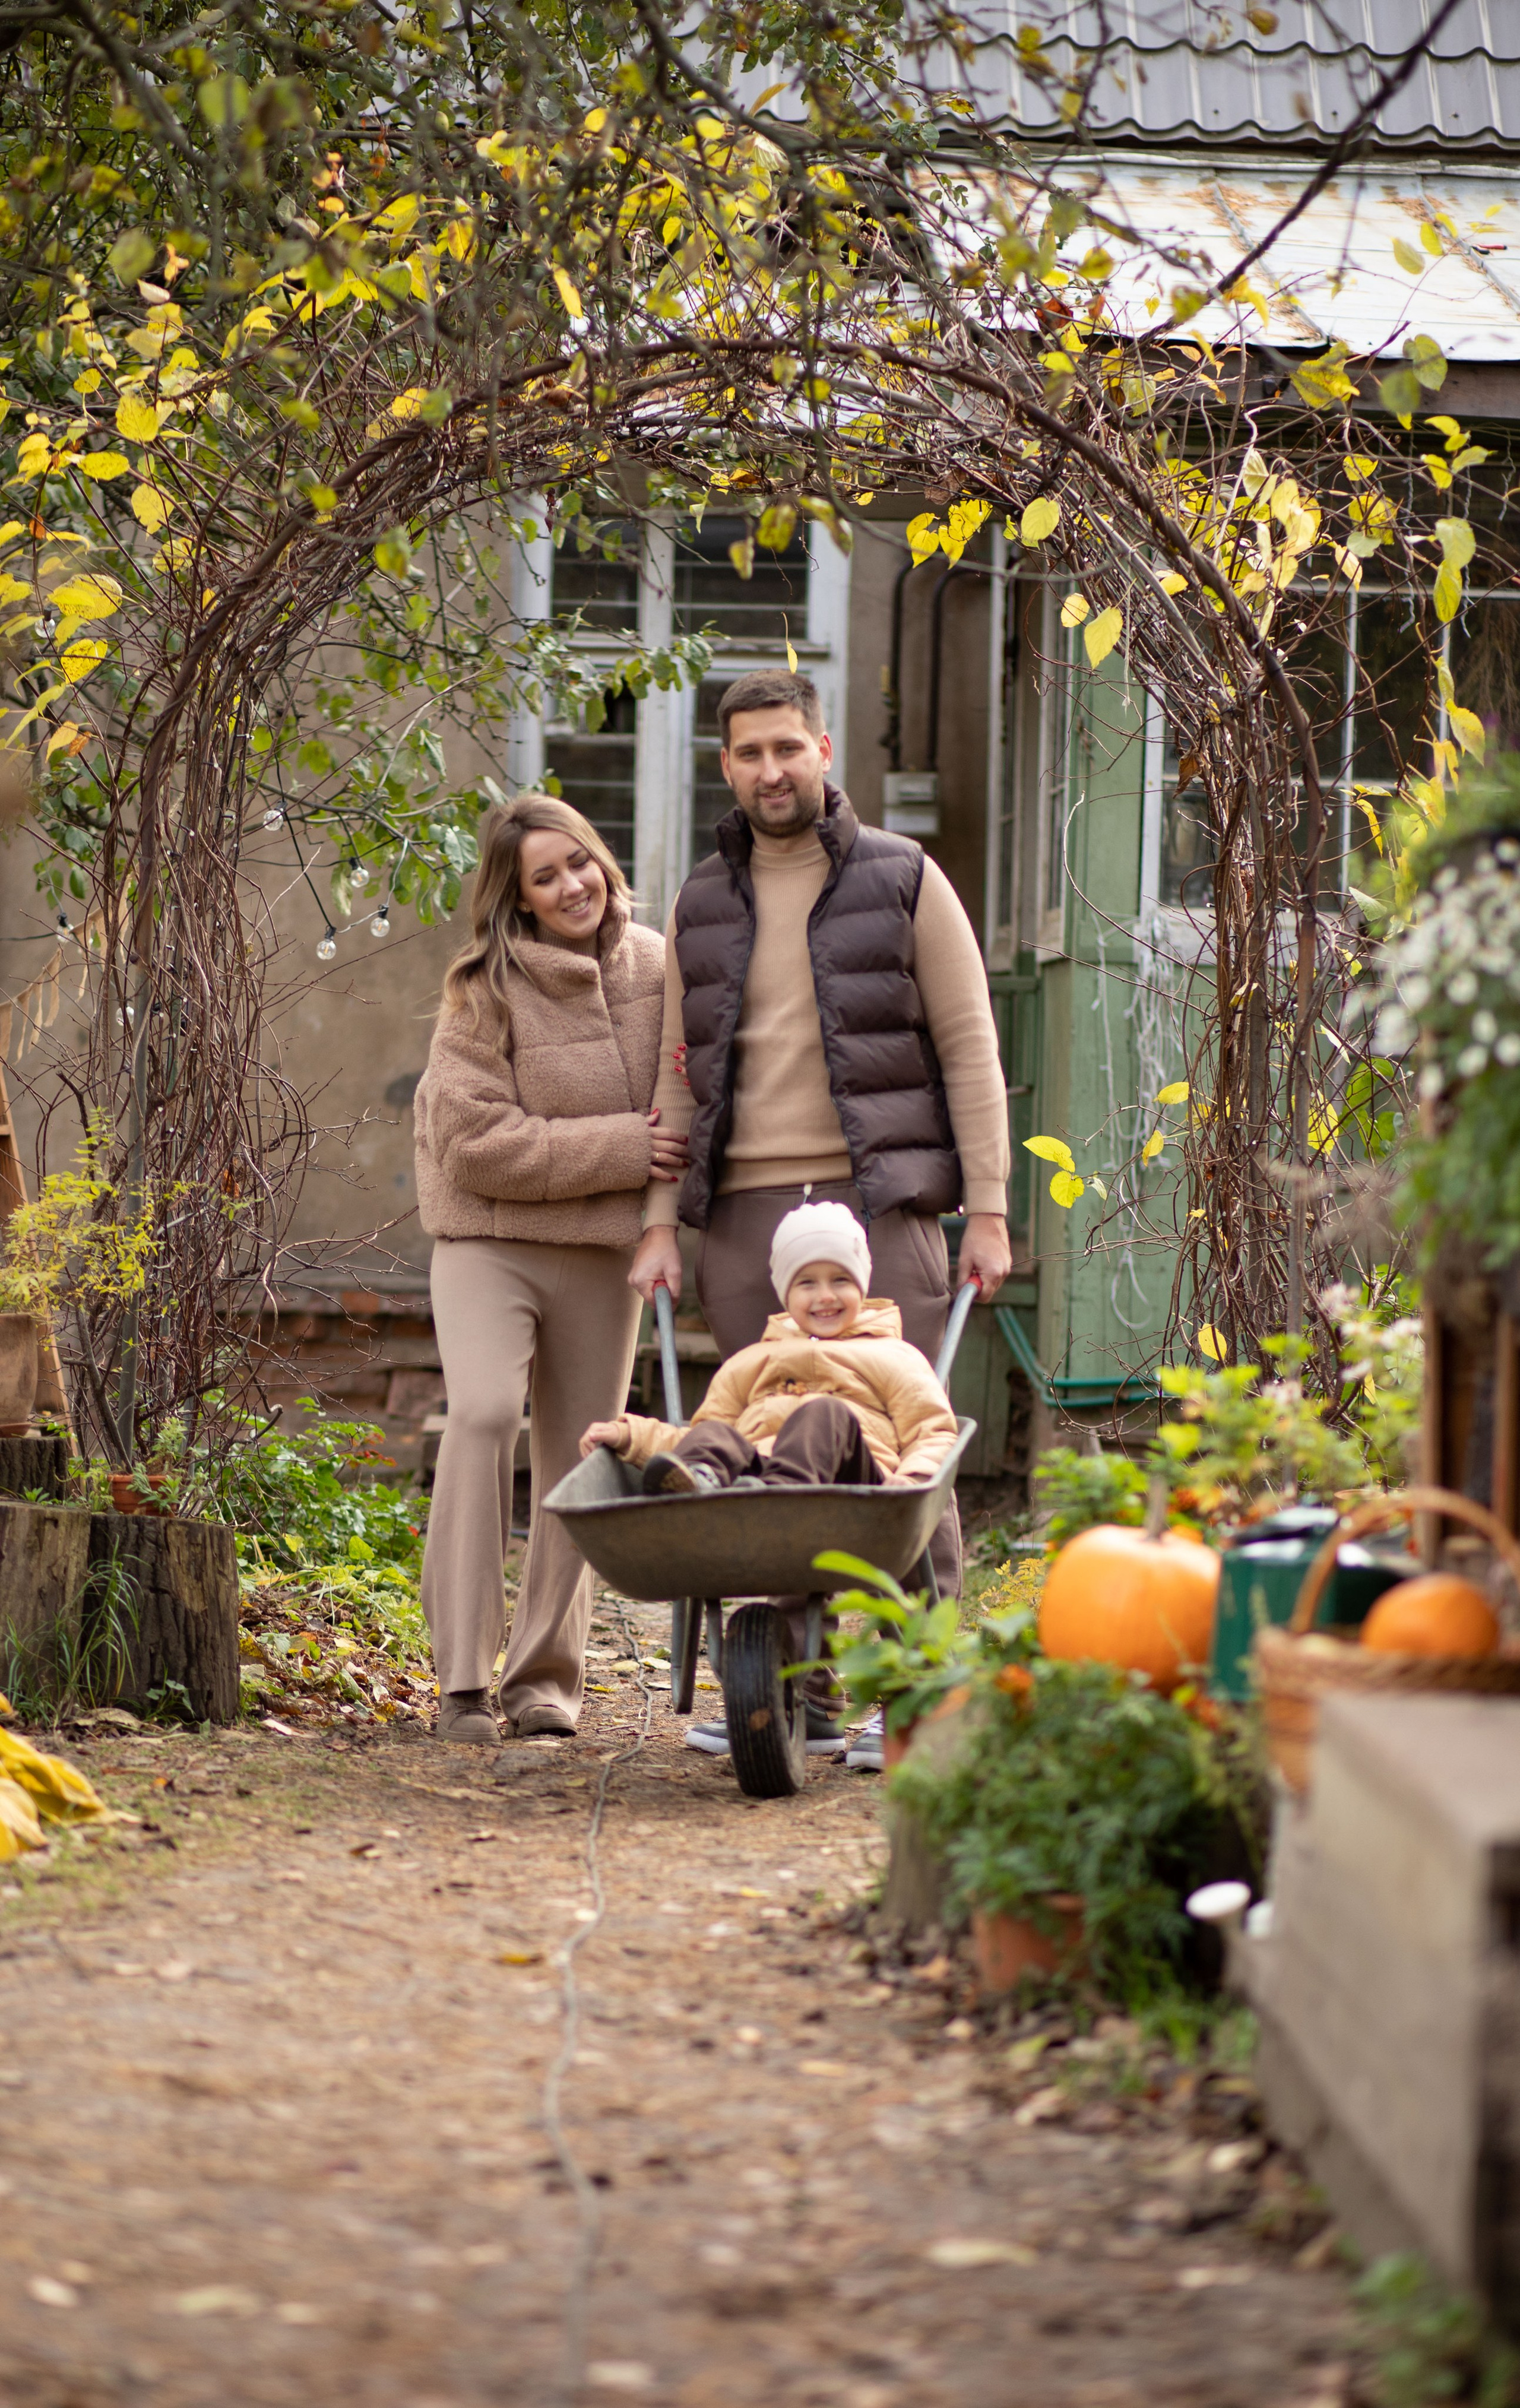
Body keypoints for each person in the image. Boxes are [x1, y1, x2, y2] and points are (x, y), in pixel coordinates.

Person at [628, 665, 1012, 1595]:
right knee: (765, 1445)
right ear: (726, 766)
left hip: (878, 1205)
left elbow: (969, 1048)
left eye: (789, 748)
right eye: (751, 753)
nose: (772, 771)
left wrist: (991, 1211)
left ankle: (920, 1664)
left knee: (906, 1446)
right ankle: (790, 1670)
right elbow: (676, 1070)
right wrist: (657, 1225)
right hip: (743, 1220)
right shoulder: (699, 902)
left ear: (824, 750)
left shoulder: (905, 878)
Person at [413, 794, 683, 1742]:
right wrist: (626, 1147)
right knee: (485, 1414)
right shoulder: (480, 988)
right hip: (490, 1245)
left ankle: (544, 1681)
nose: (573, 886)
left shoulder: (658, 965)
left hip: (603, 1255)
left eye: (581, 863)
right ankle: (460, 1680)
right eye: (545, 876)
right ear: (517, 897)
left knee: (581, 1450)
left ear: (603, 861)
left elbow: (687, 1097)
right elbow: (474, 1144)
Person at [581, 1201, 958, 1753]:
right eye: (807, 1282)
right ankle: (706, 1486)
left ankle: (908, 1703)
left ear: (863, 1283)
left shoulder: (895, 1357)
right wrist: (630, 1434)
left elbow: (933, 1431)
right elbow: (699, 1431)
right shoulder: (751, 1363)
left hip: (861, 1489)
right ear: (784, 1291)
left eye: (840, 1280)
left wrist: (916, 1481)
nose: (825, 1296)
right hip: (760, 1484)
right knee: (719, 1435)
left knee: (821, 1414)